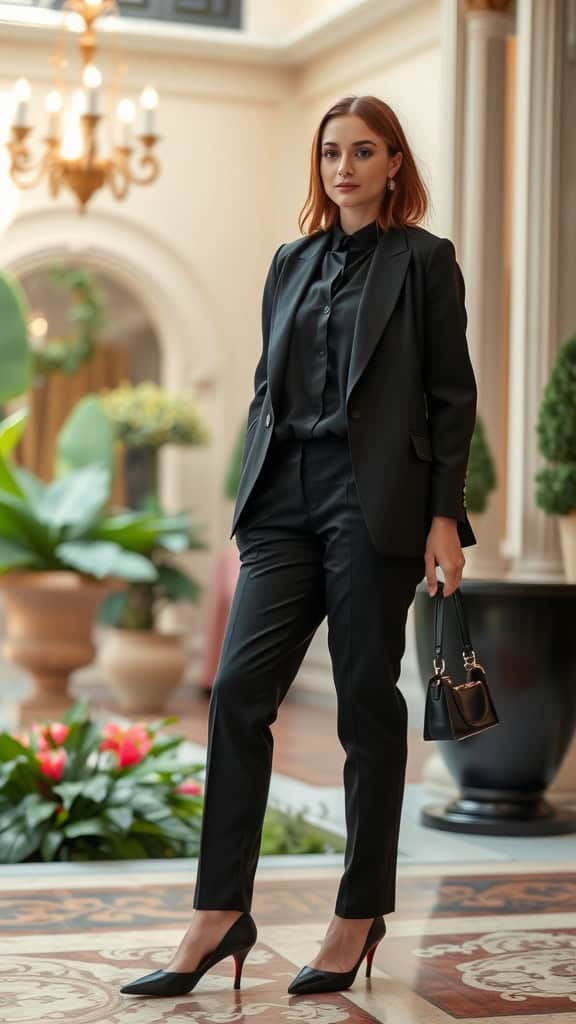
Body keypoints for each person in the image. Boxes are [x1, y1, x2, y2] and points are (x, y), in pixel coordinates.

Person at [121, 94, 477, 1000]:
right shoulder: (290, 261)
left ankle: (358, 913)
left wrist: (445, 514)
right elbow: (263, 387)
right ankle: (219, 912)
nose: (344, 167)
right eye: (330, 153)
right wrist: (250, 493)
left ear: (394, 162)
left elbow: (450, 395)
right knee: (239, 689)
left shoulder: (425, 263)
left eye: (363, 152)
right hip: (284, 500)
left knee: (364, 700)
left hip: (375, 505)